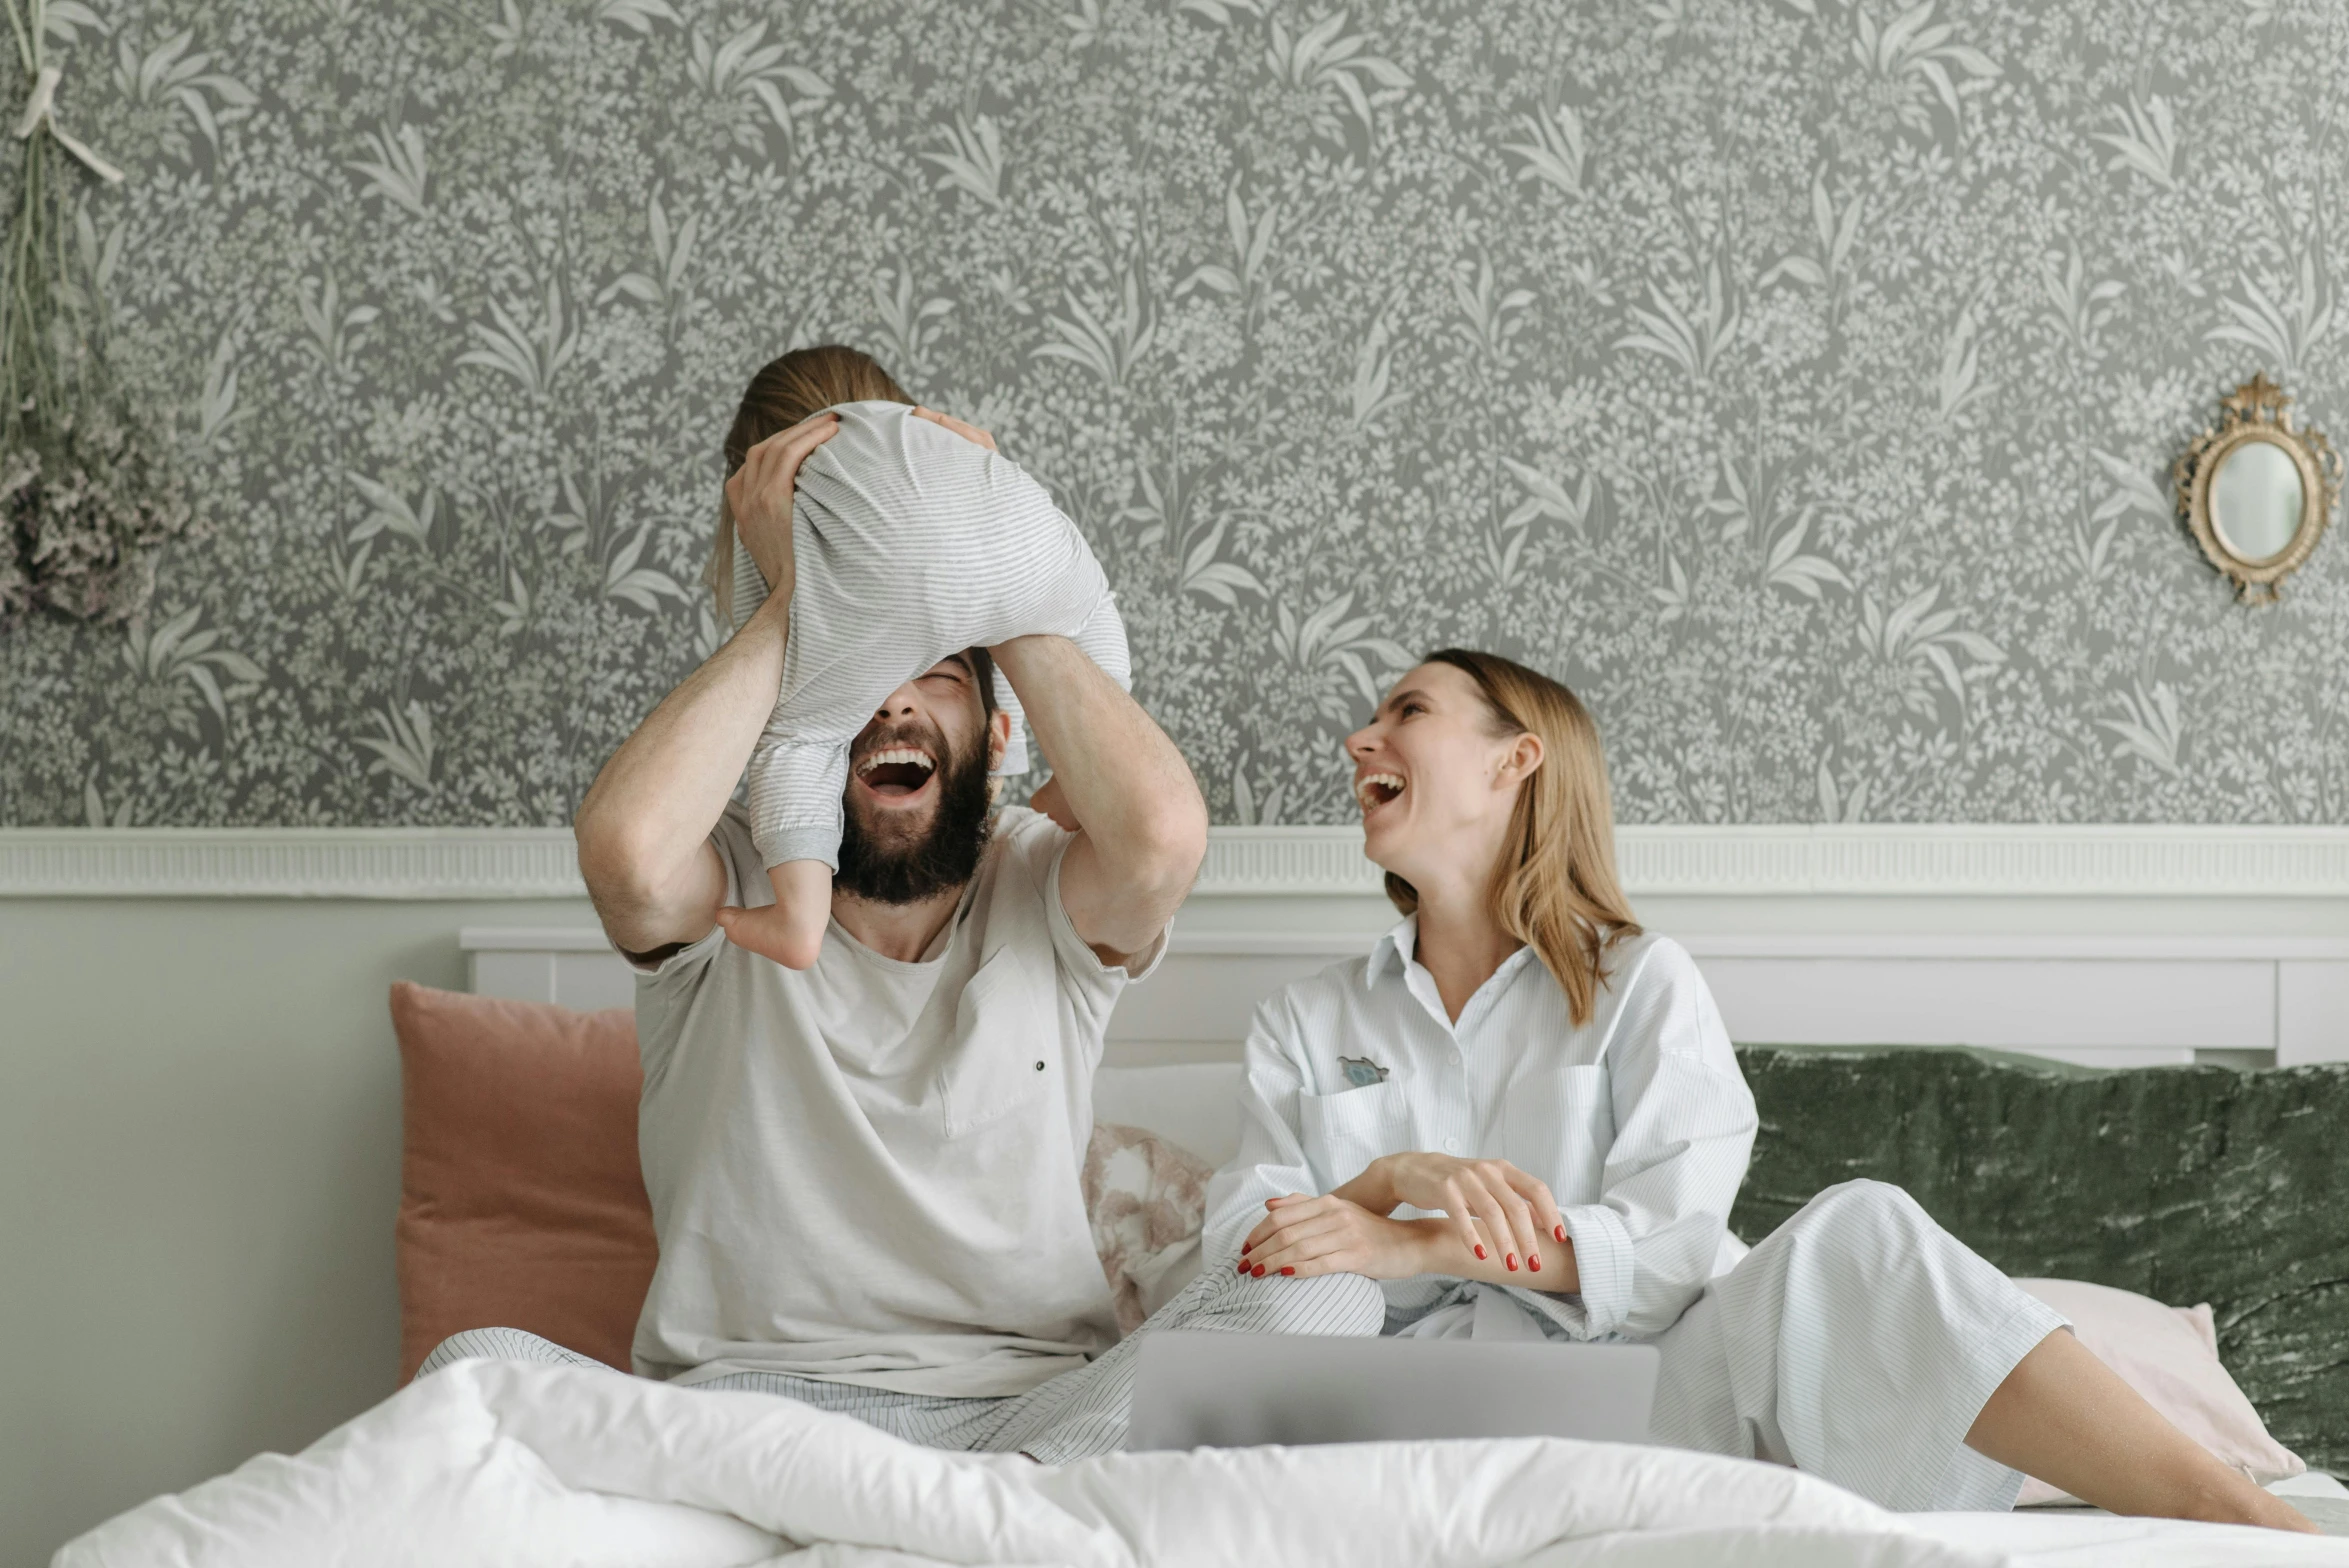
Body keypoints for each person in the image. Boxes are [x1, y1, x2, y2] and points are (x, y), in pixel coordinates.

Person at [1202, 648, 2315, 1528]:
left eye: (1407, 710)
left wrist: (1426, 1241)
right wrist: (1393, 1176)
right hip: (1387, 1425)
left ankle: (2234, 1507)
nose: (1361, 737)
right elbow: (1236, 1262)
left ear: (1515, 760)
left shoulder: (1642, 985)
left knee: (1861, 1228)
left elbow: (1671, 1255)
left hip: (1641, 1404)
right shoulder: (1306, 1022)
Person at [416, 345, 1209, 1455]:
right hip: (745, 1413)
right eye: (859, 670)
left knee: (1317, 1304)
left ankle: (896, 1518)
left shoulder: (1047, 884)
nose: (890, 696)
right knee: (472, 1372)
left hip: (1023, 1415)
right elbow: (628, 856)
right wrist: (806, 590)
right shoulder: (729, 879)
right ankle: (906, 1524)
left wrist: (974, 544)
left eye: (936, 666)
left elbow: (1165, 836)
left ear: (1000, 724)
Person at [720, 395, 1131, 971]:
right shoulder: (931, 437)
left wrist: (772, 571)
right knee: (1089, 611)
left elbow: (762, 630)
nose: (895, 699)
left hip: (880, 573)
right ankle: (1079, 773)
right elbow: (999, 640)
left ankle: (797, 915)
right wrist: (1007, 754)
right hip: (1010, 516)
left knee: (795, 734)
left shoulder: (768, 488)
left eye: (937, 674)